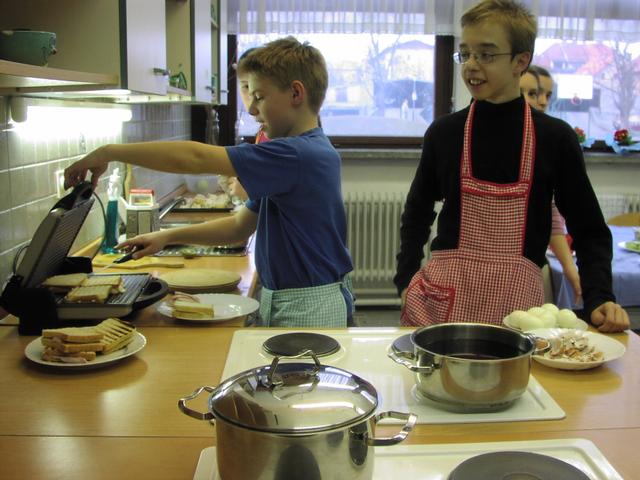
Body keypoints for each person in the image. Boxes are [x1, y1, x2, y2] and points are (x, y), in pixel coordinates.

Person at [64, 36, 355, 328]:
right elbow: (239, 226)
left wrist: (109, 152)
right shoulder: (302, 152)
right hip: (295, 299)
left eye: (259, 96)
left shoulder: (296, 154)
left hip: (307, 306)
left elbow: (193, 158)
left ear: (295, 93)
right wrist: (165, 238)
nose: (252, 109)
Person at [394, 0, 628, 333]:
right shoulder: (445, 133)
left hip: (519, 309)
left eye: (486, 55)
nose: (471, 66)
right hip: (444, 300)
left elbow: (589, 229)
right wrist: (405, 279)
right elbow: (417, 213)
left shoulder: (554, 138)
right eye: (466, 53)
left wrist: (599, 296)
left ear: (521, 61)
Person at [520, 66, 582, 301]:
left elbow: (552, 216)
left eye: (545, 95)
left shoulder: (550, 140)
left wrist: (569, 266)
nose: (543, 102)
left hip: (529, 266)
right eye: (532, 94)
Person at [225, 47, 271, 202]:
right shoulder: (264, 131)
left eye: (258, 92)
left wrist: (249, 192)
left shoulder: (283, 135)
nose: (251, 96)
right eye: (245, 86)